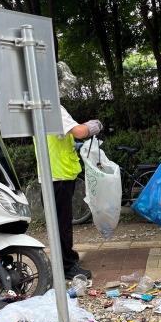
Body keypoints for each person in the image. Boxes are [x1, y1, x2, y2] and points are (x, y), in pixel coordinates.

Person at [35, 62, 102, 279]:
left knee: (59, 221)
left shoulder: (38, 106)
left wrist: (71, 143)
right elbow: (80, 131)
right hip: (58, 176)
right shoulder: (53, 108)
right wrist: (95, 125)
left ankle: (66, 256)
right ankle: (66, 266)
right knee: (62, 223)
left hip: (50, 173)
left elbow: (59, 136)